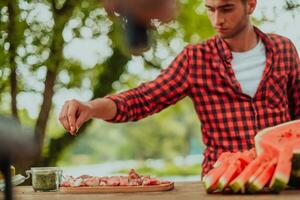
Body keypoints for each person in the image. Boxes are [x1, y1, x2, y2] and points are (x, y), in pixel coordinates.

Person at [59, 0, 300, 177]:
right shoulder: (196, 59)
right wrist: (91, 107)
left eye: (226, 9)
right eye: (210, 9)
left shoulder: (284, 49)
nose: (218, 20)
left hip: (282, 177)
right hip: (222, 181)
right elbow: (142, 99)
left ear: (251, 5)